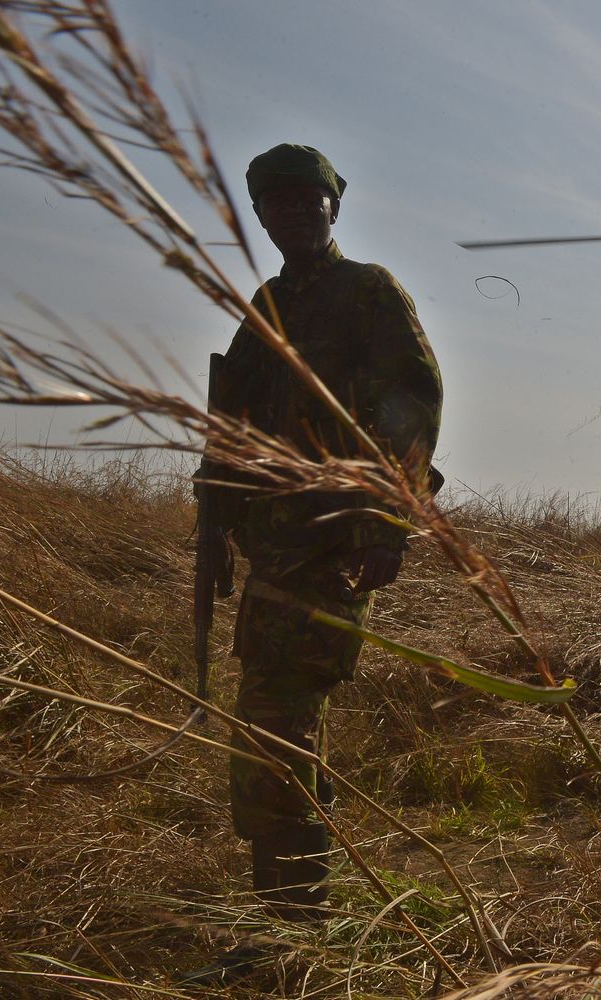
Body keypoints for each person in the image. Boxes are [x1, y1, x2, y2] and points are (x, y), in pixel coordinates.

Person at [186, 143, 441, 982]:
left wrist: (387, 524)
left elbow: (411, 402)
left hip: (331, 553)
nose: (294, 214)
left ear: (335, 206)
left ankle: (293, 938)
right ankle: (290, 926)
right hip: (272, 556)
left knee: (277, 733)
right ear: (261, 216)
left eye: (309, 201)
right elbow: (235, 428)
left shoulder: (366, 292)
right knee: (274, 734)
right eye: (277, 204)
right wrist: (219, 517)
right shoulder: (266, 307)